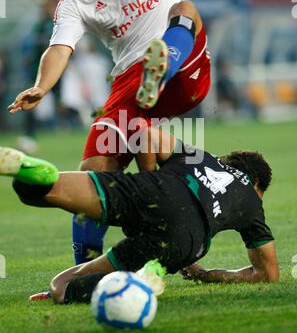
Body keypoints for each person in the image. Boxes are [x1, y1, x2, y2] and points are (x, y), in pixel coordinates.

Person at [8, 0, 238, 264]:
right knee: (93, 178)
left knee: (185, 8)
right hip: (131, 86)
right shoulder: (74, 1)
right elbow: (59, 48)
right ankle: (83, 272)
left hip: (183, 67)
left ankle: (160, 69)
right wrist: (41, 86)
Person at [0, 126, 279, 304]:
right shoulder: (252, 202)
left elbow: (146, 134)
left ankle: (37, 171)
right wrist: (209, 275)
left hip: (153, 189)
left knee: (35, 191)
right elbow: (268, 274)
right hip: (186, 241)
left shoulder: (202, 156)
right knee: (63, 288)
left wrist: (149, 195)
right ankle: (142, 281)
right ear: (256, 185)